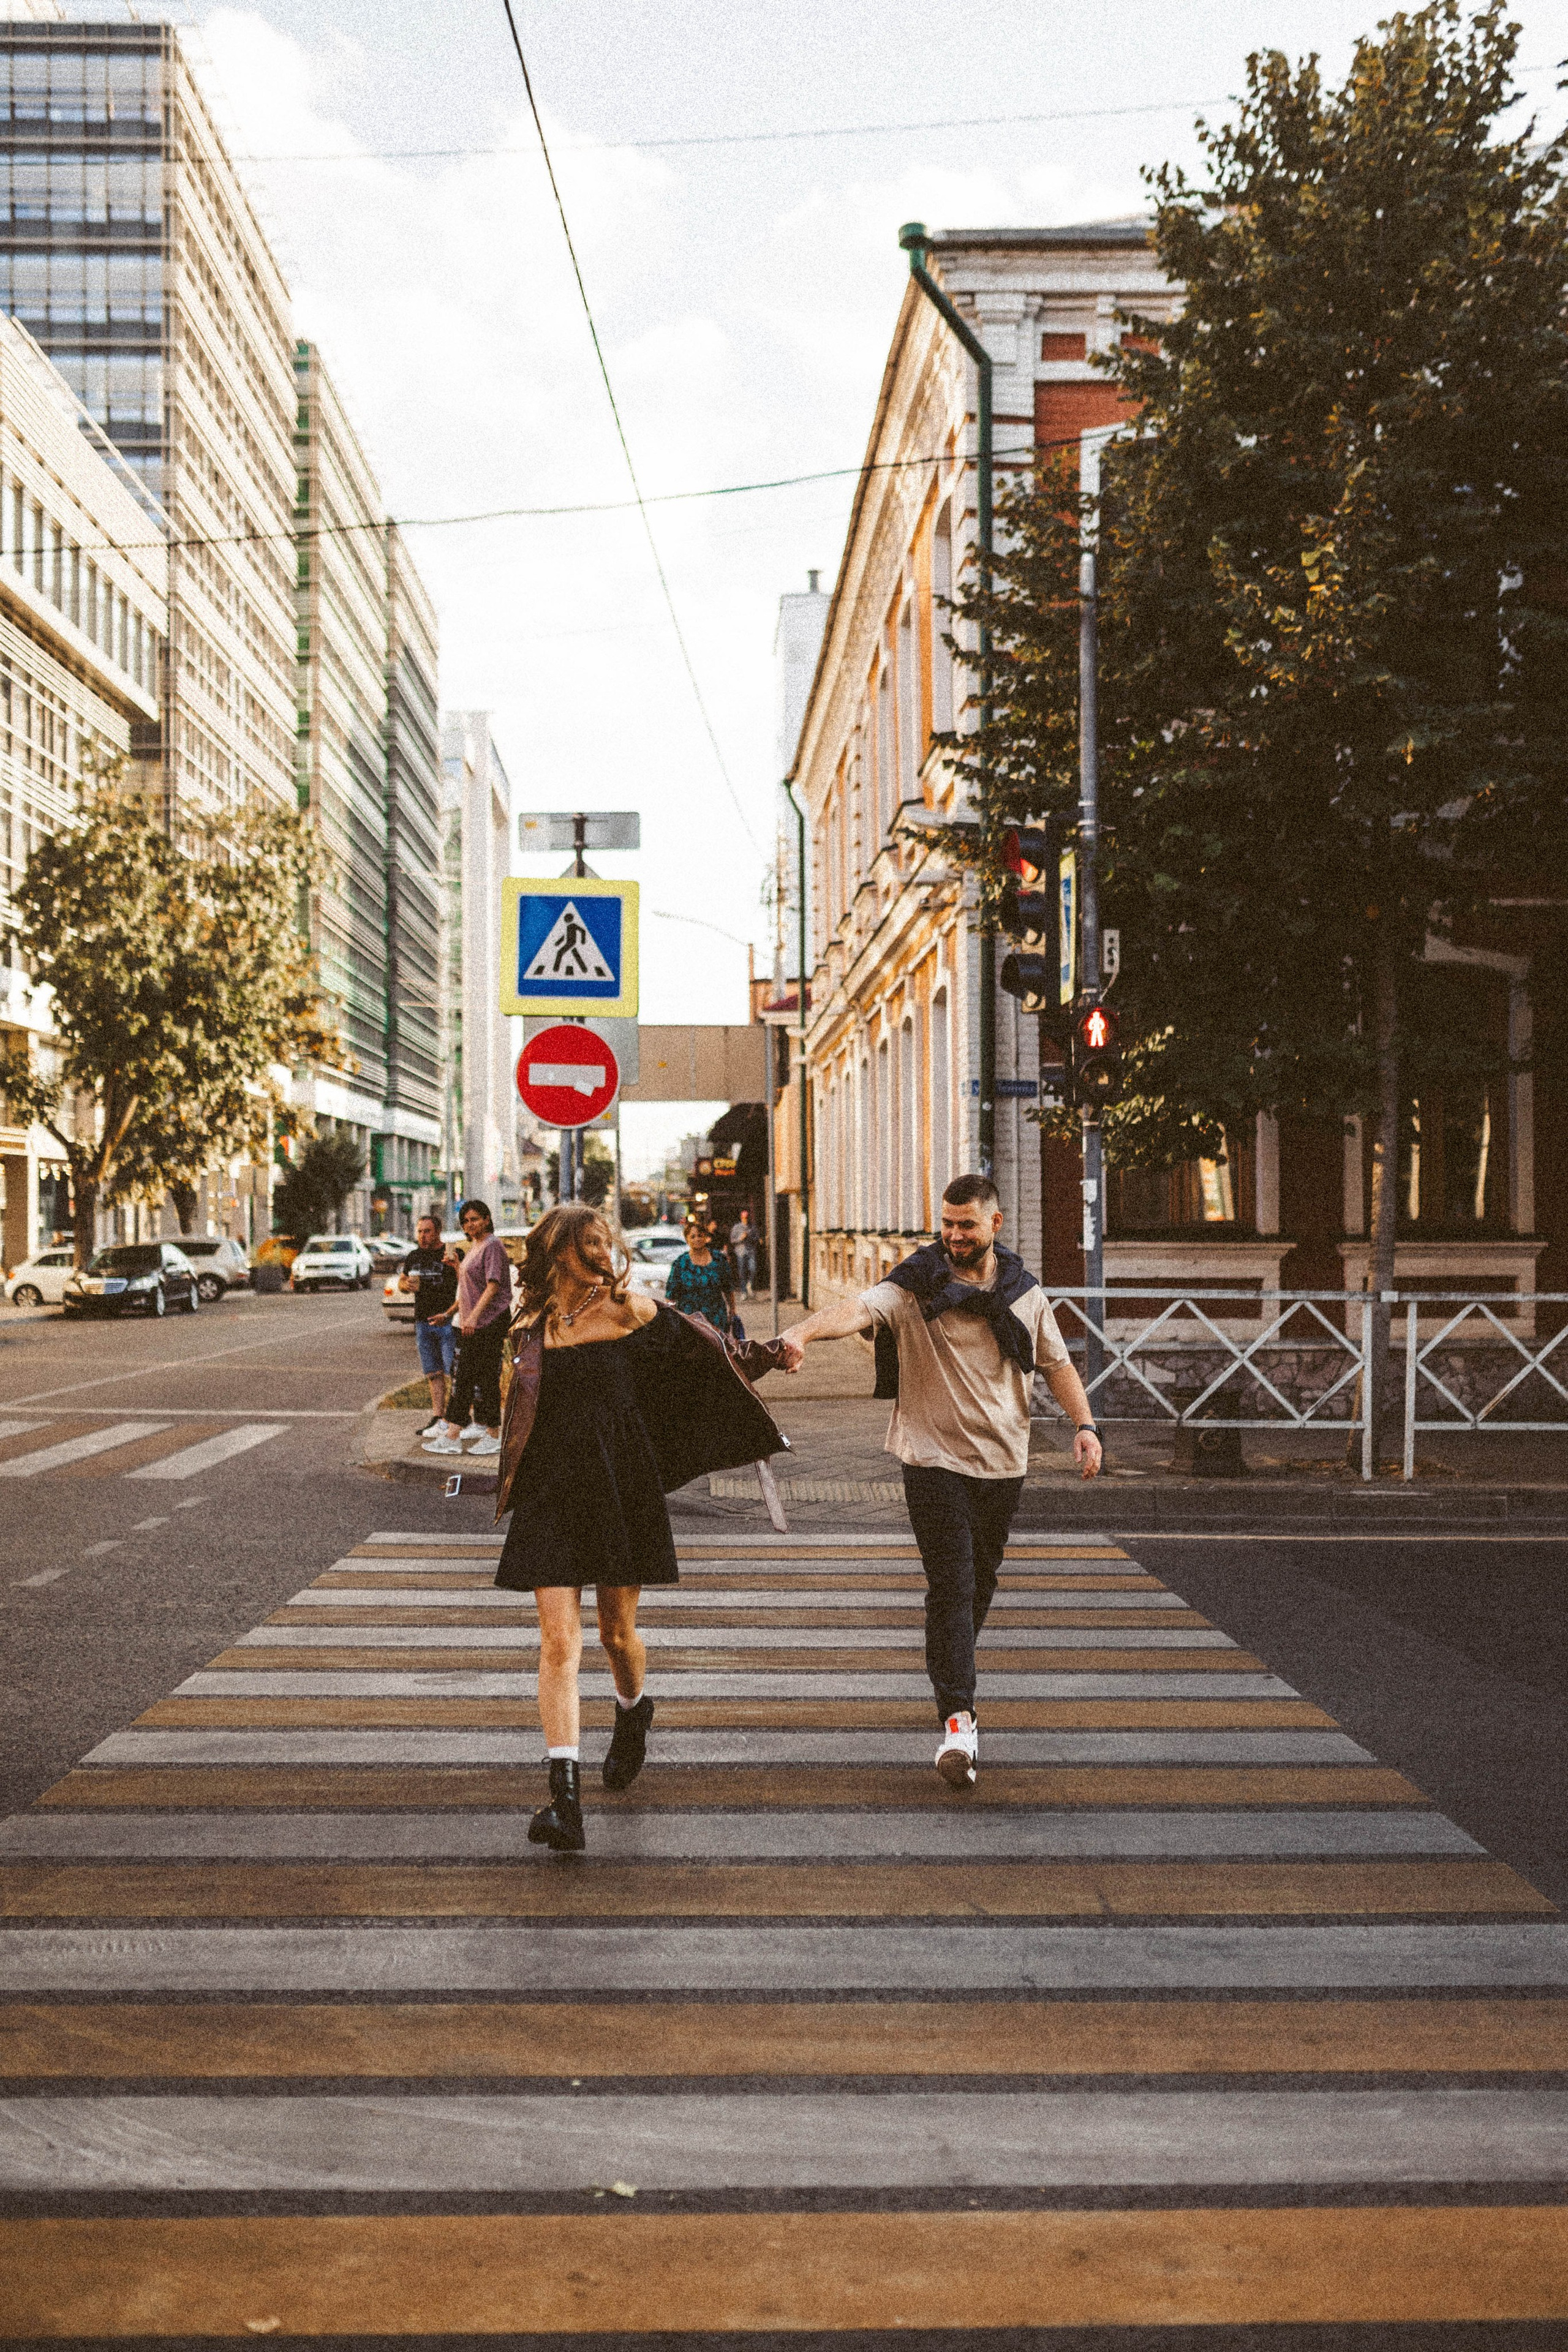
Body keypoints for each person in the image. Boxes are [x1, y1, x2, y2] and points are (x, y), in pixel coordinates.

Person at [781, 1172, 1101, 1790]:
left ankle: (949, 1663)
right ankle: (959, 1721)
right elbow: (857, 1308)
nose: (953, 1236)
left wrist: (1085, 1426)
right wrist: (801, 1333)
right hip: (930, 1460)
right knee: (952, 1585)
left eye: (966, 1226)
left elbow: (1056, 1364)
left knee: (975, 1587)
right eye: (947, 1224)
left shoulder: (1022, 1295)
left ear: (994, 1226)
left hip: (1004, 1461)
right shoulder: (915, 1286)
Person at [492, 1202, 788, 1851]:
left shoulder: (634, 1311)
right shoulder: (535, 1322)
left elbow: (710, 1351)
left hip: (617, 1488)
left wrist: (768, 1353)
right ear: (556, 1254)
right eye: (582, 1244)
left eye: (600, 1241)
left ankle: (633, 1713)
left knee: (615, 1635)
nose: (598, 1251)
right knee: (557, 1644)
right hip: (551, 1491)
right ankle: (563, 1803)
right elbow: (515, 1405)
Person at [423, 1200, 512, 1458]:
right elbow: (469, 1289)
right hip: (473, 1322)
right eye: (465, 1221)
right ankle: (483, 1432)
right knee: (472, 1379)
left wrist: (472, 1317)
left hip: (488, 1321)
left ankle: (461, 1435)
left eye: (475, 1219)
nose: (470, 1224)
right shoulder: (476, 1246)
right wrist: (450, 1313)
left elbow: (493, 1286)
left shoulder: (492, 1245)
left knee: (469, 1378)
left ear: (486, 1219)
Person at [399, 1213, 459, 1435]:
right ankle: (438, 1416)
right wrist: (407, 1286)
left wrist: (456, 1265)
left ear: (438, 1232)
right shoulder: (414, 1256)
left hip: (448, 1320)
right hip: (423, 1321)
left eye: (427, 1231)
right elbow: (402, 1281)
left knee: (454, 1371)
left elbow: (465, 1284)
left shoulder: (452, 1253)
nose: (423, 1236)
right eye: (420, 1232)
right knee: (433, 1372)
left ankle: (458, 1417)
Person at [664, 1215, 737, 1335]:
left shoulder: (719, 1260)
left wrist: (733, 1311)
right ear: (687, 1240)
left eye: (700, 1236)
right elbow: (671, 1295)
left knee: (716, 1351)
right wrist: (671, 1319)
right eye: (693, 1237)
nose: (697, 1239)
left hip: (716, 1318)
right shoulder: (681, 1263)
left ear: (706, 1237)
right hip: (689, 1321)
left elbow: (728, 1288)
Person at [728, 1208, 758, 1297]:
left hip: (751, 1251)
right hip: (740, 1251)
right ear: (741, 1218)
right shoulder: (736, 1227)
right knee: (742, 1271)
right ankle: (744, 1291)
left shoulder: (753, 1227)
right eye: (744, 1218)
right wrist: (740, 1239)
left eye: (747, 1218)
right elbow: (732, 1240)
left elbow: (757, 1238)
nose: (746, 1219)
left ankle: (750, 1284)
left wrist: (751, 1238)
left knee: (753, 1268)